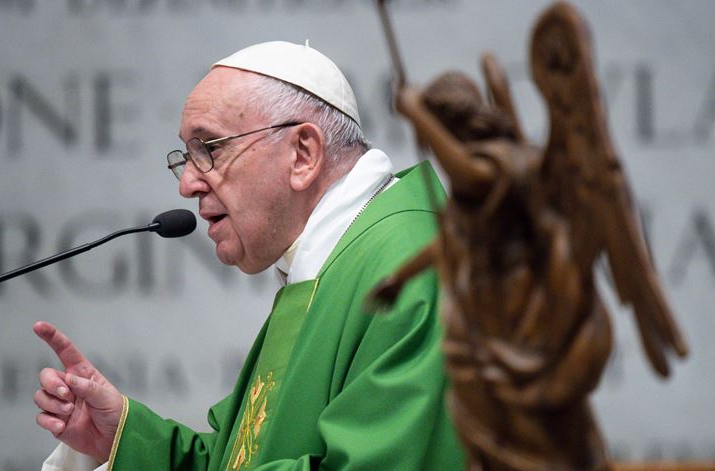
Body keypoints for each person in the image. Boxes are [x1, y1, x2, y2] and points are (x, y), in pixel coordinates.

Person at [35, 41, 466, 470]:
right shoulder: (329, 263)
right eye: (186, 155)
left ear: (303, 154)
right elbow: (240, 460)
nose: (187, 183)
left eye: (210, 149)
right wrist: (122, 440)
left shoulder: (410, 266)